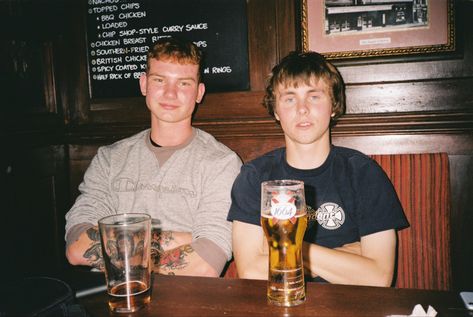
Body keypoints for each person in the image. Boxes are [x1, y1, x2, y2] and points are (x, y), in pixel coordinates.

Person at [227, 51, 408, 286]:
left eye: (314, 97)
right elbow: (251, 270)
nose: (302, 109)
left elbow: (379, 277)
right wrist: (349, 254)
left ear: (333, 105)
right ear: (275, 111)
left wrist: (290, 249)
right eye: (290, 98)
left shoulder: (364, 173)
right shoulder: (254, 177)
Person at [65, 37, 242, 277]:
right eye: (160, 80)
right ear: (144, 84)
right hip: (114, 301)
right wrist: (184, 241)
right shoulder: (109, 159)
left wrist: (117, 238)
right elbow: (77, 248)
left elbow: (207, 262)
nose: (170, 93)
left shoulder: (222, 163)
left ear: (199, 93)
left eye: (184, 83)